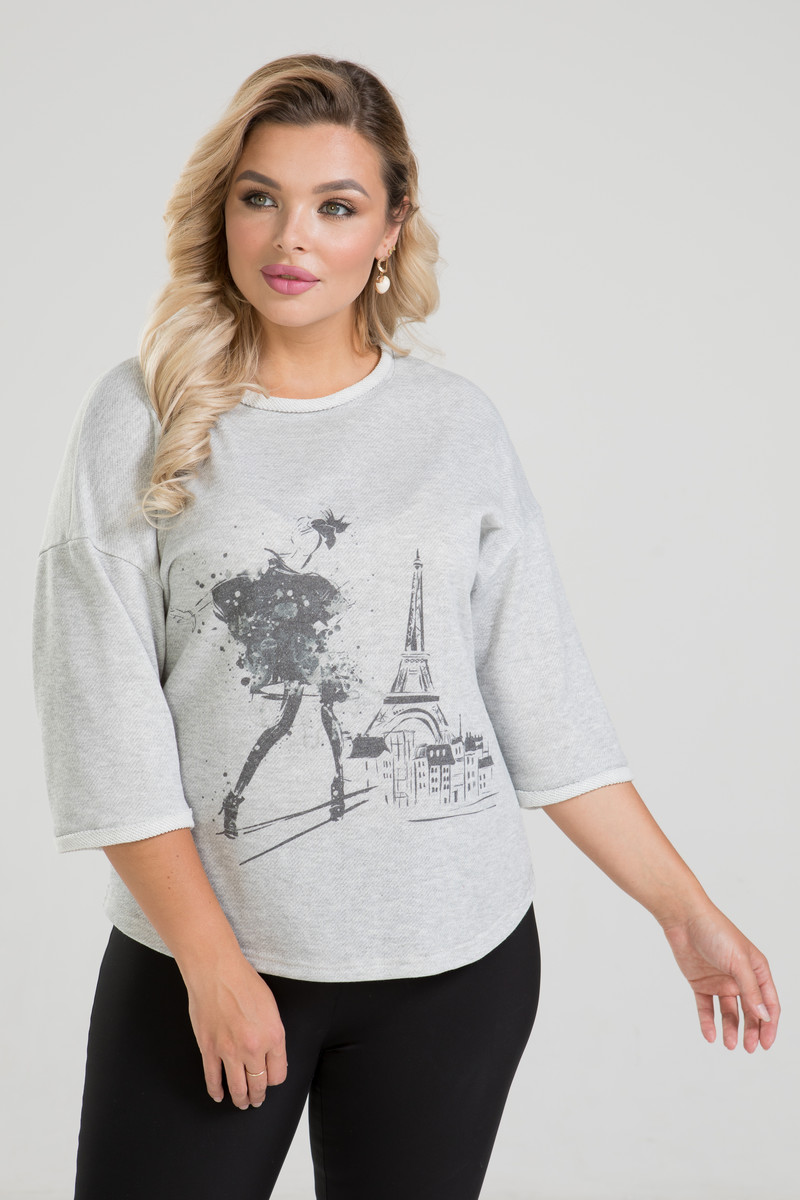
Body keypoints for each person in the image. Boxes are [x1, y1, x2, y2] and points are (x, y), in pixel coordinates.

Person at [31, 53, 780, 1200]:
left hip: (454, 969)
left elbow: (541, 701)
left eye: (335, 206)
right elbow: (104, 722)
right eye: (260, 196)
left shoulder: (453, 425)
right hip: (202, 961)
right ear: (222, 210)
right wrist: (212, 966)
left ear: (389, 228)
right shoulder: (141, 413)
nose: (291, 237)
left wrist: (687, 916)